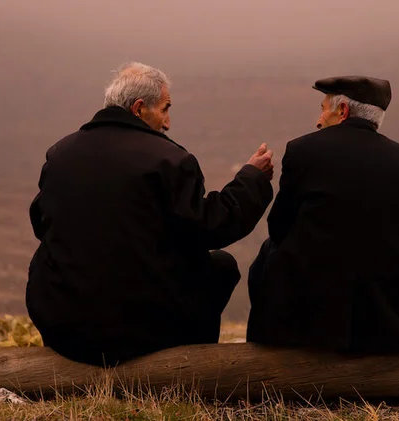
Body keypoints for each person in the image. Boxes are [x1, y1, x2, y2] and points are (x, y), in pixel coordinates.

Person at [26, 62, 274, 366]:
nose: (167, 123)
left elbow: (41, 223)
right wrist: (252, 178)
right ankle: (190, 365)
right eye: (165, 109)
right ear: (140, 108)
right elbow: (211, 227)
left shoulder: (60, 154)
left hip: (64, 327)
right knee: (221, 266)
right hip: (138, 333)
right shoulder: (169, 160)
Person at [246, 76, 399, 354]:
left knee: (267, 251)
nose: (318, 121)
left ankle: (265, 340)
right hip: (393, 322)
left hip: (315, 318)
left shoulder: (302, 150)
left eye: (323, 109)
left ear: (343, 111)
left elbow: (279, 227)